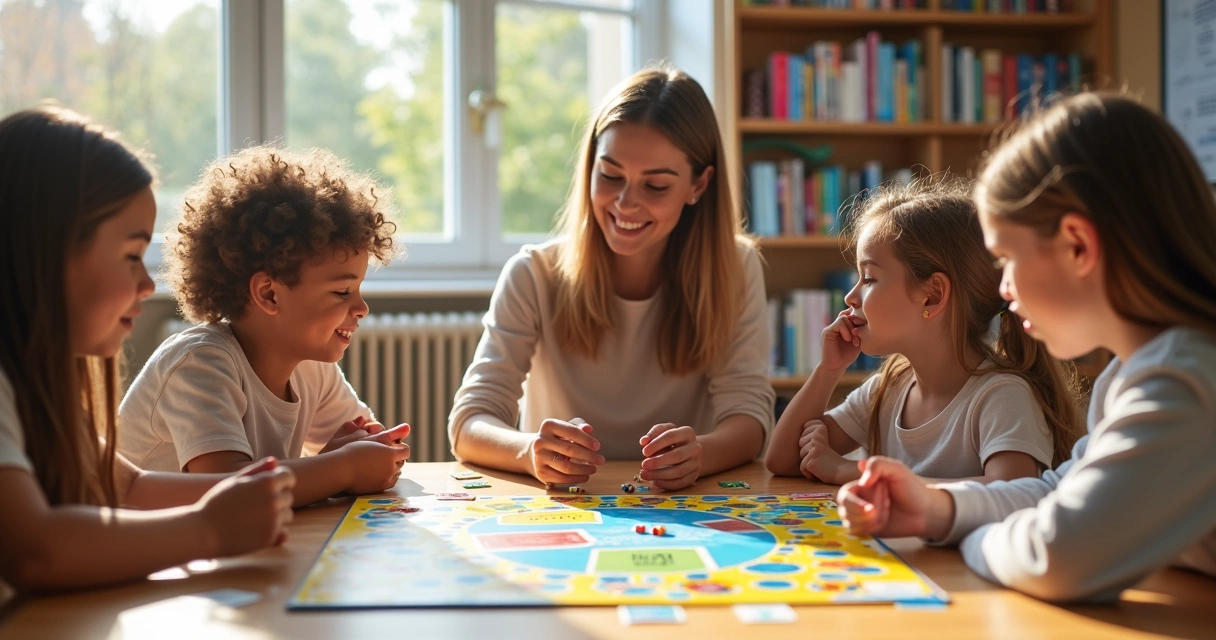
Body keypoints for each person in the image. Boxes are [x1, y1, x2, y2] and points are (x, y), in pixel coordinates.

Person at [838, 93, 1216, 602]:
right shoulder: (1132, 374)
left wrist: (973, 536)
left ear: (1078, 246)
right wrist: (936, 510)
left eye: (1008, 259)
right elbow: (1060, 490)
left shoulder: (1184, 380)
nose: (1005, 287)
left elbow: (1058, 556)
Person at [0, 106, 294, 599]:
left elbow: (131, 489)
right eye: (132, 255)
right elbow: (36, 551)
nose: (146, 283)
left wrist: (258, 497)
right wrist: (209, 530)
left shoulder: (33, 386)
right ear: (48, 253)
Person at [448, 65, 774, 491]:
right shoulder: (533, 274)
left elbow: (749, 417)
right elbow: (470, 422)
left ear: (699, 185)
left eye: (655, 186)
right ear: (589, 169)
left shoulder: (736, 268)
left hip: (683, 507)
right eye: (610, 175)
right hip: (566, 510)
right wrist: (528, 452)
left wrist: (700, 456)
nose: (625, 204)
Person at [118, 146, 409, 506]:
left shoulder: (312, 367)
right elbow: (233, 495)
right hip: (141, 556)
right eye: (342, 291)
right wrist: (340, 469)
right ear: (269, 294)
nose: (362, 307)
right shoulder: (199, 364)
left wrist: (355, 458)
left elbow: (371, 449)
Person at [766, 178, 1082, 485]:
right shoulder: (888, 390)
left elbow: (1011, 492)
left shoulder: (1001, 396)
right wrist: (828, 370)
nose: (851, 297)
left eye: (870, 279)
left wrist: (853, 472)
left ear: (932, 295)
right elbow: (783, 460)